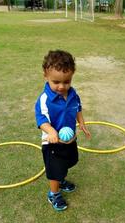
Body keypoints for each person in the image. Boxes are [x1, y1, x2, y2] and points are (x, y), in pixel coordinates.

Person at [35, 50, 91, 211]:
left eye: (66, 82)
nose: (61, 86)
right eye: (56, 82)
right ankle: (54, 193)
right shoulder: (45, 99)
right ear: (46, 76)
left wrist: (82, 123)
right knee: (54, 170)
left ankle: (62, 180)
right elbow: (41, 119)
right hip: (52, 143)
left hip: (69, 139)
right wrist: (51, 131)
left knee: (69, 161)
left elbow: (77, 108)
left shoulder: (73, 94)